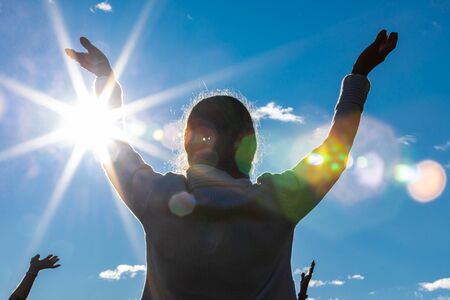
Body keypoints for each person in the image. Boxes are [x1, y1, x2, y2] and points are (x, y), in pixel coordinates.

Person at [65, 29, 397, 300]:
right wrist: (358, 76)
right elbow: (335, 150)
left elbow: (112, 146)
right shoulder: (278, 201)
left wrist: (106, 80)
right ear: (248, 146)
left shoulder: (157, 197)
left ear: (187, 145)